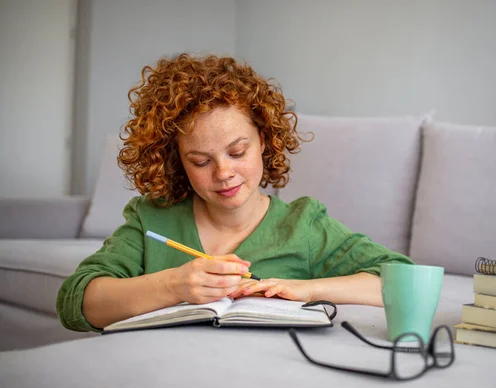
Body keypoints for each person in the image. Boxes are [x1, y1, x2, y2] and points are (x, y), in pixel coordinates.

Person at [56, 53, 413, 332]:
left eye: (237, 153)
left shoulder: (302, 226)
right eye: (199, 161)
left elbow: (404, 281)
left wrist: (308, 288)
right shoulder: (152, 218)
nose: (224, 173)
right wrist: (174, 285)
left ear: (265, 141)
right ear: (176, 161)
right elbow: (76, 303)